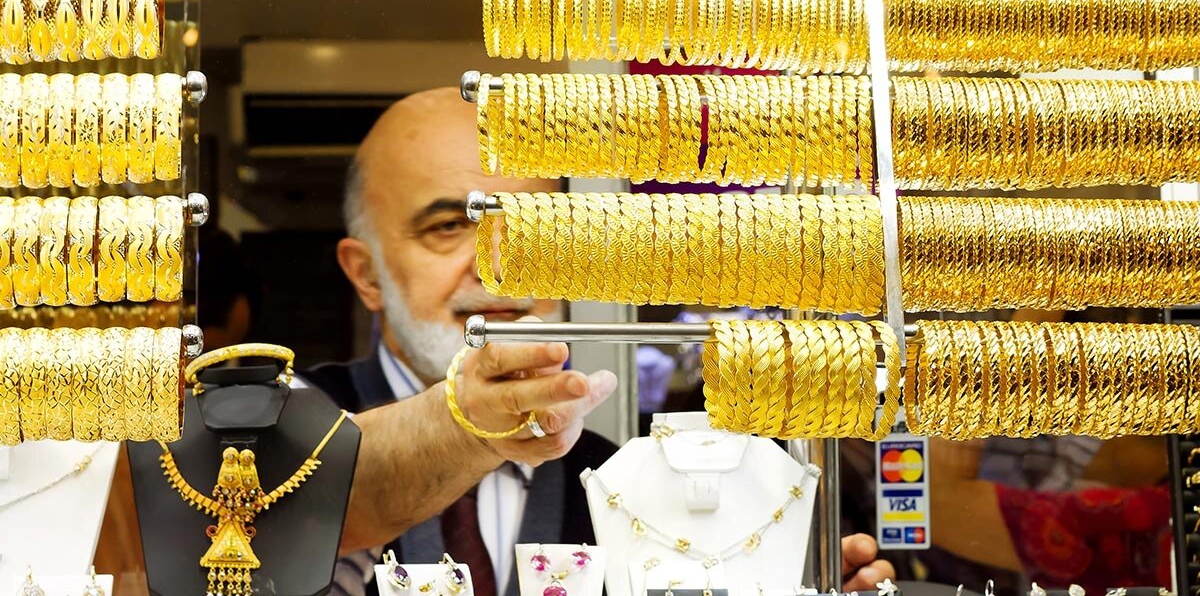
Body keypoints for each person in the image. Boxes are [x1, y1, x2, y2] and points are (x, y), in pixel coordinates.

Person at [306, 88, 896, 596]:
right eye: (449, 227)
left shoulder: (625, 482)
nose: (498, 265)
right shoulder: (287, 437)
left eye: (529, 226)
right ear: (366, 274)